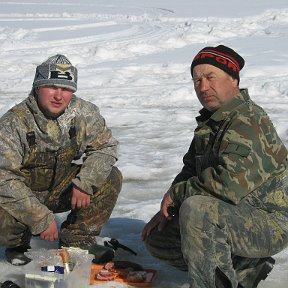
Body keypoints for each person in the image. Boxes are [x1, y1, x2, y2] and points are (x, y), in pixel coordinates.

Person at [142, 45, 288, 288]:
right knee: (158, 239)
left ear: (233, 80)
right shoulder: (213, 122)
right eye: (197, 80)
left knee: (198, 211)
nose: (203, 87)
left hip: (270, 222)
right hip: (237, 215)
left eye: (211, 78)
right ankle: (245, 267)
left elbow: (227, 183)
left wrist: (177, 195)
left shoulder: (246, 120)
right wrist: (169, 207)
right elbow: (190, 169)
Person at [0, 54, 122, 265]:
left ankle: (77, 241)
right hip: (23, 191)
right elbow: (4, 178)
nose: (59, 95)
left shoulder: (84, 112)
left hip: (58, 187)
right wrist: (40, 217)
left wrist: (85, 182)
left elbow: (106, 147)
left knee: (109, 177)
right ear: (37, 88)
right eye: (51, 87)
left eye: (66, 89)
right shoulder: (13, 123)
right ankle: (18, 244)